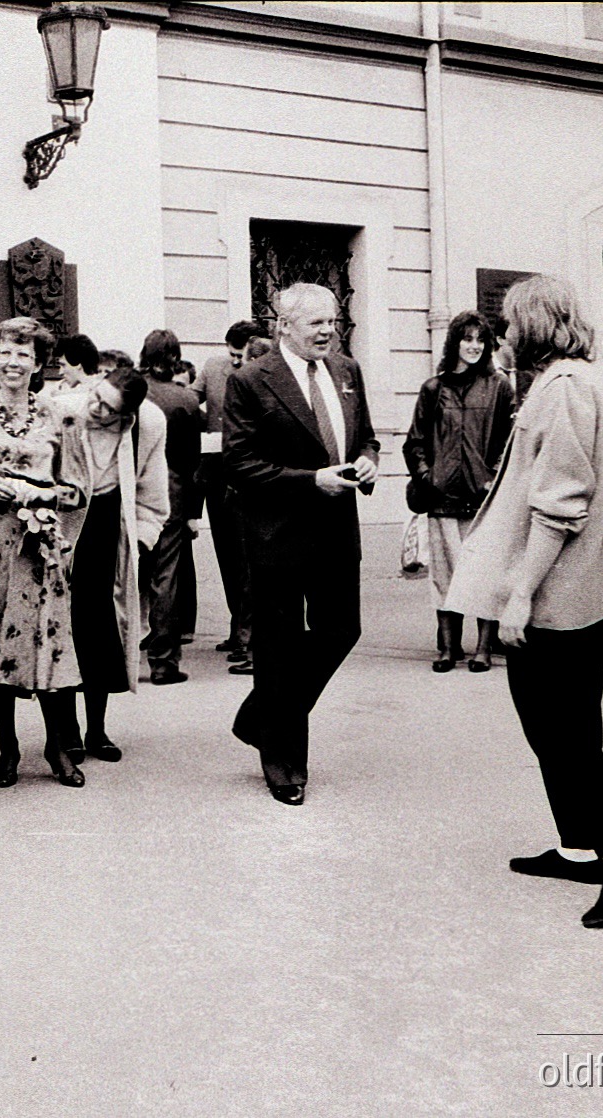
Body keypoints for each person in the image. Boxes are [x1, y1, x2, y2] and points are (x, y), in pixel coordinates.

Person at [444, 274, 603, 928]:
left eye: (509, 324)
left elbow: (559, 503)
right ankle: (578, 845)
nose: (503, 336)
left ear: (534, 328)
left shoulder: (563, 389)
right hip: (595, 583)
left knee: (559, 728)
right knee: (568, 721)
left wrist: (518, 595)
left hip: (557, 589)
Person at [223, 283, 379, 806]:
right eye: (316, 323)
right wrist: (311, 480)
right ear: (284, 325)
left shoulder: (347, 370)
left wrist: (370, 460)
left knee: (342, 629)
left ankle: (259, 716)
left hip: (338, 528)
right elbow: (241, 465)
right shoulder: (250, 380)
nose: (328, 331)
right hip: (279, 536)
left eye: (332, 321)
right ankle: (285, 765)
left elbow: (366, 436)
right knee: (280, 646)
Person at [0, 317, 86, 789]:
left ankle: (57, 747)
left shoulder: (57, 416)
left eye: (24, 355)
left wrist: (42, 496)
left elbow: (76, 488)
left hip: (40, 547)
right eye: (6, 352)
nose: (14, 363)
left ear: (39, 365)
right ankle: (7, 746)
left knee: (49, 642)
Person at [51, 361, 169, 762]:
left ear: (128, 415)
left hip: (108, 528)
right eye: (97, 398)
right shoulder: (62, 408)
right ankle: (65, 732)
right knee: (60, 628)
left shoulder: (148, 427)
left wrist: (140, 539)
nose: (97, 410)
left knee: (100, 629)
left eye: (108, 409)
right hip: (61, 526)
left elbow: (153, 496)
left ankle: (96, 729)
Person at [402, 310, 514, 673]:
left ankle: (483, 649)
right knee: (445, 576)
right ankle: (448, 648)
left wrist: (492, 477)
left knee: (485, 573)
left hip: (483, 500)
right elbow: (414, 442)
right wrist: (428, 477)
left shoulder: (499, 387)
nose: (474, 346)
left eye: (480, 340)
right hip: (443, 499)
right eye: (467, 339)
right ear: (455, 342)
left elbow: (509, 442)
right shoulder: (434, 388)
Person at [193, 320, 267, 673]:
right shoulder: (212, 367)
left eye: (241, 356)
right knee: (227, 553)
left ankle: (247, 634)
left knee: (247, 557)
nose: (236, 362)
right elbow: (190, 403)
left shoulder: (262, 372)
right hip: (215, 472)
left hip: (247, 475)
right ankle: (236, 626)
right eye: (232, 355)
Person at [138, 329, 202, 684]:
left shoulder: (130, 391)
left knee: (127, 575)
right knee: (166, 578)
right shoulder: (185, 399)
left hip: (130, 491)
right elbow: (192, 461)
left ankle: (117, 656)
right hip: (171, 493)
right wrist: (194, 510)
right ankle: (163, 662)